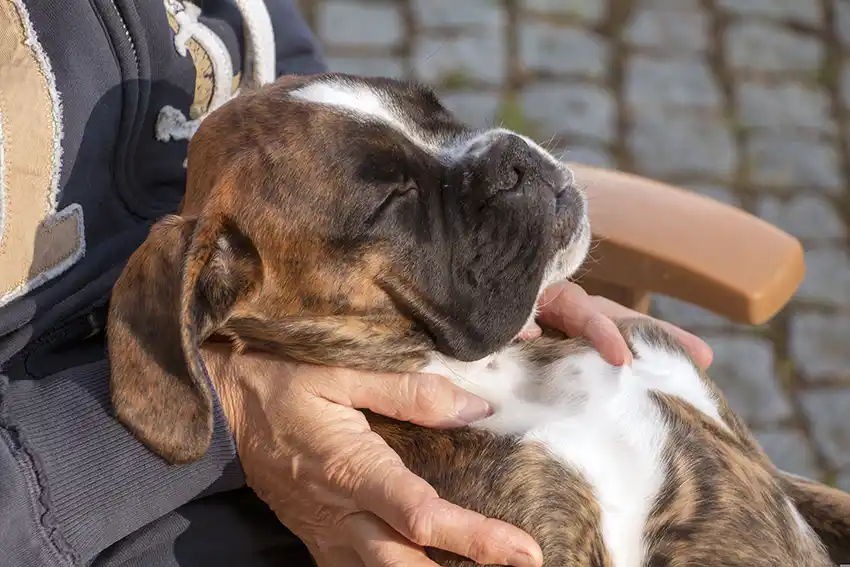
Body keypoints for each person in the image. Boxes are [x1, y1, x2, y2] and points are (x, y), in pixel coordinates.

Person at [0, 1, 713, 566]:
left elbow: (266, 51)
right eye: (392, 201)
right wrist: (226, 405)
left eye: (433, 115)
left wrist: (471, 241)